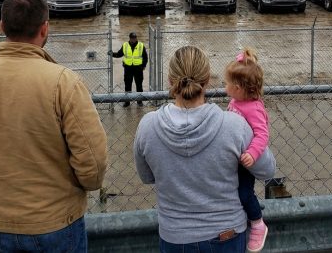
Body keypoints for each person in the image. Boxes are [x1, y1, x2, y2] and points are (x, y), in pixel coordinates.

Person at [0, 0, 108, 253]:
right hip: (58, 223)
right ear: (44, 29)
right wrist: (72, 188)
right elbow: (93, 163)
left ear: (1, 26)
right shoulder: (64, 82)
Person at [134, 45, 276, 252]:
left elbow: (147, 177)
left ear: (170, 81)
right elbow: (267, 170)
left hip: (174, 236)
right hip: (226, 234)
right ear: (207, 81)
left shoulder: (147, 126)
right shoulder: (234, 125)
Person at [225, 48, 270, 252]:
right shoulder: (236, 101)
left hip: (245, 161)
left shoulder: (253, 108)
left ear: (237, 87)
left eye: (227, 84)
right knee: (232, 191)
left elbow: (262, 135)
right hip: (234, 158)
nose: (224, 87)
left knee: (244, 193)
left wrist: (252, 153)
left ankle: (258, 223)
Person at [111, 32, 148, 107]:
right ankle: (127, 102)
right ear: (130, 38)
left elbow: (145, 57)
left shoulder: (141, 45)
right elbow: (119, 54)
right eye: (132, 38)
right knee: (127, 85)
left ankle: (139, 101)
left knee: (139, 85)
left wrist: (143, 66)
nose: (134, 39)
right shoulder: (125, 45)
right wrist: (112, 54)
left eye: (135, 38)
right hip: (128, 68)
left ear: (136, 38)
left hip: (138, 68)